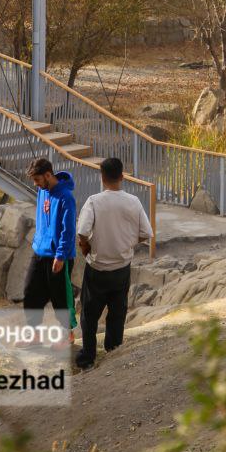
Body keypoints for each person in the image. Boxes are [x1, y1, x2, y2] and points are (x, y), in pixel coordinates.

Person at [74, 156, 154, 372]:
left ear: (102, 177)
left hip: (98, 268)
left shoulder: (94, 201)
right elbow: (146, 233)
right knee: (117, 312)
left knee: (89, 316)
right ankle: (114, 349)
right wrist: (128, 243)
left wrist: (85, 246)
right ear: (122, 176)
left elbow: (82, 230)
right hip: (122, 268)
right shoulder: (133, 201)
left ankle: (88, 358)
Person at [22, 158, 77, 332]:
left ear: (48, 175)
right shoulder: (42, 191)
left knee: (60, 297)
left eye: (37, 180)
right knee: (30, 292)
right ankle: (33, 333)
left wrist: (60, 255)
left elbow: (68, 230)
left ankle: (66, 333)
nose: (35, 184)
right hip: (40, 251)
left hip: (59, 256)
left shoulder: (66, 197)